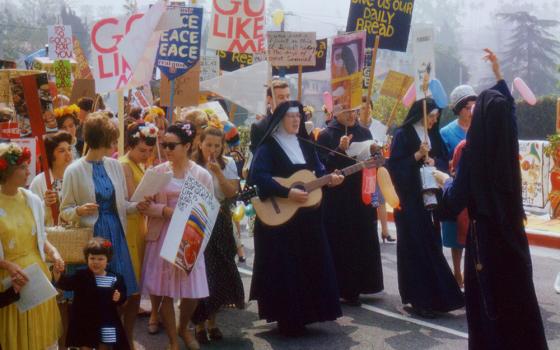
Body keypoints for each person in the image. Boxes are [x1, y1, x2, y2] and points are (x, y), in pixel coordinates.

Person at [434, 49, 548, 349]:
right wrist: (500, 76)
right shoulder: (508, 149)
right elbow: (507, 111)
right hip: (513, 238)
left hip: (484, 240)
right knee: (519, 302)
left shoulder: (472, 153)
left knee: (489, 309)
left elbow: (454, 200)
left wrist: (444, 182)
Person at [249, 101, 344, 336]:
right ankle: (288, 318)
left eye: (298, 116)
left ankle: (310, 313)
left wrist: (330, 179)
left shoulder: (306, 144)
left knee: (310, 263)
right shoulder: (268, 147)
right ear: (280, 119)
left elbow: (318, 172)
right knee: (286, 268)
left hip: (307, 219)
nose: (296, 120)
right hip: (281, 221)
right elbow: (258, 176)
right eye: (291, 116)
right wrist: (286, 192)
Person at [387, 98, 464, 319]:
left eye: (436, 118)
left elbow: (442, 161)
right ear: (420, 115)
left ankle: (439, 297)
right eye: (430, 117)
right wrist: (417, 157)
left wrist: (434, 164)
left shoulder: (434, 135)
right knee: (414, 248)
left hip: (429, 199)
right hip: (409, 200)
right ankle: (418, 298)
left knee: (431, 245)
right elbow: (394, 167)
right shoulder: (404, 134)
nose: (433, 121)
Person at [138, 122, 212, 350]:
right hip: (161, 235)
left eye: (172, 145)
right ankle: (172, 340)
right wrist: (165, 211)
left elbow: (207, 209)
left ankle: (183, 327)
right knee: (165, 291)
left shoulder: (201, 174)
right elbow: (141, 204)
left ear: (188, 145)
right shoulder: (158, 172)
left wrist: (191, 218)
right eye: (164, 145)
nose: (167, 149)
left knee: (193, 291)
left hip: (189, 236)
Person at [60, 114, 139, 300]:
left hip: (116, 233)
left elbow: (122, 204)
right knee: (92, 294)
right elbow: (65, 210)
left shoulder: (114, 165)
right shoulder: (74, 170)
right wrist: (79, 211)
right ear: (103, 140)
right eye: (113, 140)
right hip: (91, 235)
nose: (115, 143)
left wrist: (137, 206)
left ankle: (112, 326)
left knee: (117, 291)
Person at [0, 142, 64, 350]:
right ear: (7, 170)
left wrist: (53, 252)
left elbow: (40, 236)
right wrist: (8, 267)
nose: (29, 171)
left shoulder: (31, 199)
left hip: (37, 278)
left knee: (41, 337)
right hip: (11, 283)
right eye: (23, 167)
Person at [317, 107, 384, 305]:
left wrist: (375, 152)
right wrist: (340, 149)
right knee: (343, 241)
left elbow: (377, 159)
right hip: (339, 197)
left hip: (362, 191)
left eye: (354, 111)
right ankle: (345, 287)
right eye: (346, 111)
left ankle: (366, 283)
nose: (351, 115)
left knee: (364, 237)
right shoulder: (326, 135)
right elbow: (322, 166)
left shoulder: (365, 131)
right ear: (336, 112)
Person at [191, 124, 245, 343]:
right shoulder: (192, 164)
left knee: (219, 271)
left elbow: (232, 192)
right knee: (201, 273)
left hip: (220, 218)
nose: (212, 149)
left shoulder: (228, 163)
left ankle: (212, 322)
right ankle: (199, 324)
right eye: (208, 144)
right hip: (197, 220)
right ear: (199, 144)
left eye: (217, 145)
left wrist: (218, 174)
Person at [53, 237, 129, 350]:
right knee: (86, 344)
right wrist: (57, 274)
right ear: (86, 259)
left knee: (105, 344)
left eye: (100, 259)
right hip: (85, 320)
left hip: (107, 319)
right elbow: (66, 284)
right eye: (92, 258)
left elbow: (123, 296)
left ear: (108, 260)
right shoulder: (81, 276)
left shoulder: (114, 278)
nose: (96, 262)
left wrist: (119, 297)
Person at [119, 122, 157, 342]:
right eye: (142, 150)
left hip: (139, 228)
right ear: (130, 145)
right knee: (127, 290)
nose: (146, 154)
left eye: (150, 151)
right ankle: (123, 337)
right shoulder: (123, 165)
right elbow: (133, 199)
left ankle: (128, 336)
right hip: (128, 230)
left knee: (134, 290)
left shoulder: (139, 166)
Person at [440, 84, 477, 288]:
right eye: (467, 107)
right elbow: (441, 160)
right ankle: (457, 272)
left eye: (474, 107)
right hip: (456, 187)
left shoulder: (481, 129)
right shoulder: (446, 132)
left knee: (474, 233)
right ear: (458, 109)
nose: (471, 112)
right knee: (456, 234)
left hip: (476, 191)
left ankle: (472, 271)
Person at [358, 96, 395, 243]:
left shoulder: (380, 126)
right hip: (361, 168)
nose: (366, 111)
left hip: (377, 165)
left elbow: (384, 146)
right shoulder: (355, 127)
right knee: (366, 199)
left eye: (369, 108)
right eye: (362, 109)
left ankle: (385, 231)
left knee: (380, 199)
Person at [248, 80, 291, 156]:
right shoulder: (259, 127)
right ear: (269, 99)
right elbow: (258, 157)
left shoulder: (297, 122)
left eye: (288, 96)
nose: (286, 101)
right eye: (281, 97)